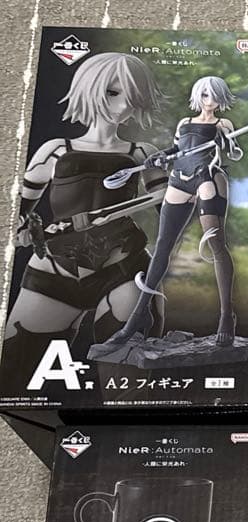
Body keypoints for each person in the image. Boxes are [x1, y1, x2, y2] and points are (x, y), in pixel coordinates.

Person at [3, 52, 166, 383]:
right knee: (13, 377)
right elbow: (18, 210)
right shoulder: (56, 150)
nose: (123, 105)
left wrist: (193, 183)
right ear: (89, 88)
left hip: (125, 269)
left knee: (128, 383)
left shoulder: (142, 154)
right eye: (113, 92)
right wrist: (21, 229)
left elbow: (173, 211)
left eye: (132, 97)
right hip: (55, 269)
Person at [92, 75, 243, 356]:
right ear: (197, 96)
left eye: (214, 95)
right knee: (162, 248)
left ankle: (226, 316)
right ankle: (137, 318)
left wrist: (227, 143)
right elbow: (177, 150)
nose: (209, 100)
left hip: (207, 178)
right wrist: (159, 156)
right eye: (205, 94)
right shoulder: (184, 123)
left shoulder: (223, 124)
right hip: (179, 180)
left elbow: (234, 154)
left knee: (216, 245)